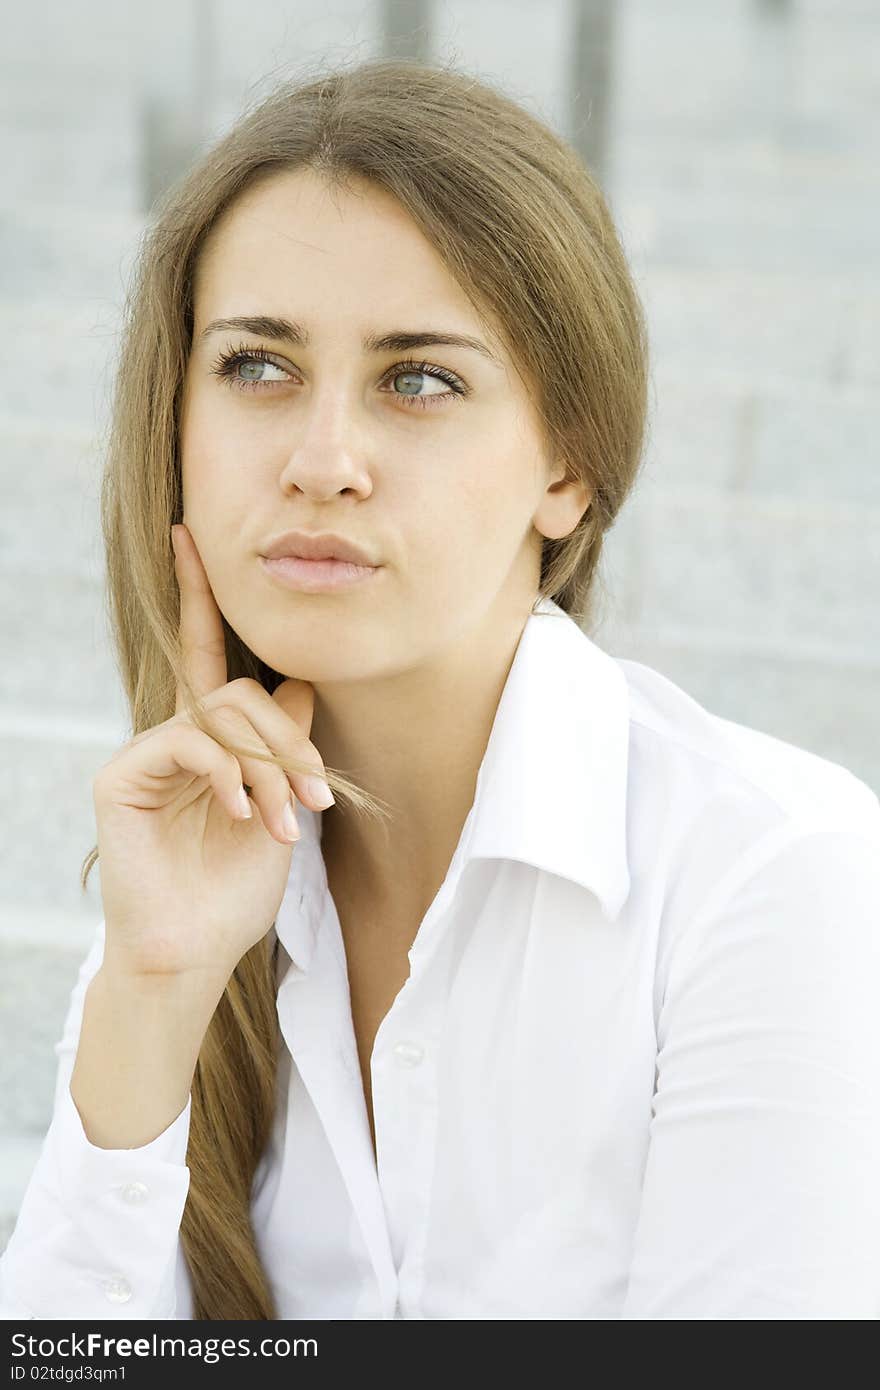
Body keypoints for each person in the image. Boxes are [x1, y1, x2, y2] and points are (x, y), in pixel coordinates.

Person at [2, 56, 879, 1323]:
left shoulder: (772, 875)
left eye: (420, 379)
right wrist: (151, 989)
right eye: (257, 366)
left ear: (567, 468)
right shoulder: (184, 896)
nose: (322, 461)